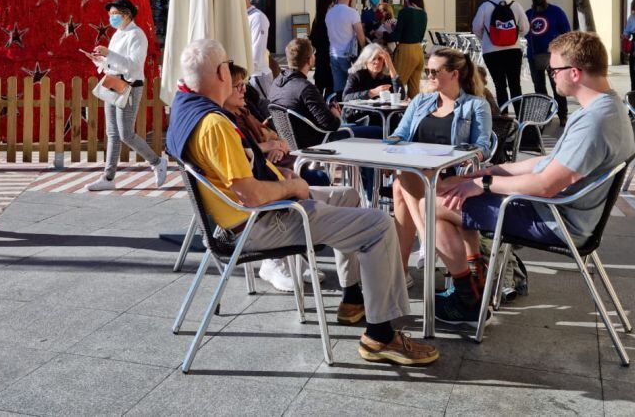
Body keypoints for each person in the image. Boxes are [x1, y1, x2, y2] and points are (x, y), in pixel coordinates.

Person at [165, 38, 440, 365]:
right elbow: (249, 194)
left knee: (348, 196)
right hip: (262, 221)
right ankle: (380, 336)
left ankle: (352, 299)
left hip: (244, 219)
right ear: (222, 73)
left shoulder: (185, 108)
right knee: (379, 225)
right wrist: (292, 189)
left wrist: (286, 180)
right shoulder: (214, 124)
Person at [431, 31, 635, 324]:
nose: (551, 75)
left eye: (554, 70)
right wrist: (494, 170)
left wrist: (482, 184)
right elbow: (551, 162)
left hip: (554, 220)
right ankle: (476, 277)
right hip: (567, 215)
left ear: (574, 73)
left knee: (434, 202)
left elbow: (545, 185)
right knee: (453, 191)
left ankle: (468, 297)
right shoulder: (607, 106)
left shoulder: (595, 121)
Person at [224, 62, 329, 291]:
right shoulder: (224, 122)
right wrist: (269, 146)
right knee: (310, 179)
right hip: (254, 187)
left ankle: (298, 255)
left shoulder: (243, 111)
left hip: (272, 167)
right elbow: (244, 153)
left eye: (243, 84)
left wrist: (277, 145)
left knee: (312, 176)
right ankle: (275, 260)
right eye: (238, 86)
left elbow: (273, 135)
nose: (244, 89)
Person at [389, 48, 493, 277]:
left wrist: (453, 157)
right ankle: (424, 241)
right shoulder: (420, 102)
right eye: (427, 71)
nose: (429, 76)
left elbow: (483, 147)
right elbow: (400, 134)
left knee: (400, 185)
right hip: (419, 173)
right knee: (402, 179)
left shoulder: (476, 105)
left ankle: (402, 269)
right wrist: (391, 146)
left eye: (434, 71)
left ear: (454, 74)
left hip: (453, 175)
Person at [87, 0, 168, 192]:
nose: (111, 18)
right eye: (110, 14)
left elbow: (132, 65)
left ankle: (157, 162)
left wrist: (108, 54)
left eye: (115, 14)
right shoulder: (117, 34)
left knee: (126, 133)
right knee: (112, 133)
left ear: (126, 14)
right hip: (113, 82)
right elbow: (114, 64)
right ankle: (108, 177)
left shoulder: (137, 35)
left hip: (130, 85)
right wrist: (99, 60)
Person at [268, 38, 383, 146]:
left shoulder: (276, 83)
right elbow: (331, 125)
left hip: (291, 142)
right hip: (317, 141)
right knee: (378, 131)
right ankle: (368, 167)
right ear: (310, 59)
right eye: (313, 52)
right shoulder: (305, 88)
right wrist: (336, 114)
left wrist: (326, 108)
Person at [471, 0, 528, 112]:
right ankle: (519, 115)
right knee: (515, 85)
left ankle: (504, 117)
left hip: (491, 51)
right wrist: (513, 37)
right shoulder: (516, 5)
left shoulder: (485, 6)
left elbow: (476, 27)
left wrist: (486, 38)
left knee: (500, 85)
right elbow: (525, 28)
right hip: (513, 50)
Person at [525, 0, 571, 126]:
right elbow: (524, 30)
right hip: (534, 55)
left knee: (558, 86)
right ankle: (545, 115)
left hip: (553, 57)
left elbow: (566, 32)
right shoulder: (528, 14)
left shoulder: (556, 12)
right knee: (539, 87)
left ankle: (562, 114)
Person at [385, 0, 428, 98]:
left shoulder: (405, 12)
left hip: (405, 50)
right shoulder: (423, 13)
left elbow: (396, 36)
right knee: (414, 89)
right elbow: (417, 33)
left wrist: (386, 32)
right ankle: (415, 113)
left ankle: (392, 114)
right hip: (419, 50)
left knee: (396, 85)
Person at [325, 0, 366, 97]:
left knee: (338, 89)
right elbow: (360, 36)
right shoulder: (352, 13)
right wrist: (365, 53)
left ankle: (339, 109)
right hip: (348, 57)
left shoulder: (329, 13)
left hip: (333, 55)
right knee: (353, 88)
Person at [244, 0, 273, 98]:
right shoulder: (244, 17)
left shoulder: (257, 18)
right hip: (248, 76)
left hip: (257, 77)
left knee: (263, 113)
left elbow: (256, 55)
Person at [308, 0, 336, 97]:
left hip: (319, 58)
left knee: (320, 86)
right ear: (326, 7)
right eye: (331, 6)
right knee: (330, 86)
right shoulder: (327, 22)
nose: (332, 9)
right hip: (327, 58)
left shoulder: (316, 21)